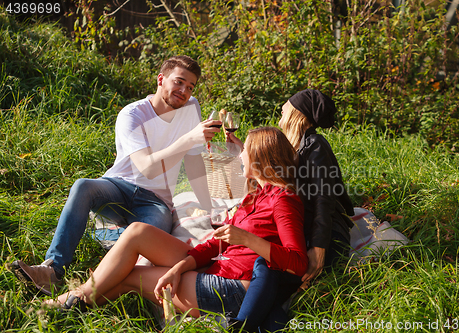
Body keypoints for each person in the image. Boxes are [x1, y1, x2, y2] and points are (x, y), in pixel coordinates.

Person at [43, 127, 308, 322]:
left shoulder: (283, 199)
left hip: (233, 288)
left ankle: (62, 306)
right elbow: (216, 243)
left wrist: (248, 240)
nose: (240, 157)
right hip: (218, 266)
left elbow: (298, 263)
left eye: (245, 151)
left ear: (261, 157)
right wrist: (179, 268)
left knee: (130, 277)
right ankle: (70, 304)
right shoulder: (255, 196)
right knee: (137, 231)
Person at [11, 55, 220, 296]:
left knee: (144, 247)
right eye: (179, 82)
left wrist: (208, 208)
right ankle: (53, 271)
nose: (184, 91)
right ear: (161, 79)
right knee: (83, 186)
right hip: (118, 186)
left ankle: (92, 279)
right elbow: (147, 168)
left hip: (156, 200)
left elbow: (194, 161)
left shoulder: (191, 108)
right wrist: (187, 139)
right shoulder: (132, 115)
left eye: (190, 87)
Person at [226, 89, 354, 331]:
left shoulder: (315, 144)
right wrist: (246, 150)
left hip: (328, 236)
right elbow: (272, 171)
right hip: (307, 233)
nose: (281, 112)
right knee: (269, 289)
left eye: (284, 108)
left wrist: (318, 247)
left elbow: (324, 197)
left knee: (267, 270)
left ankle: (241, 327)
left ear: (297, 113)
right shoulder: (298, 147)